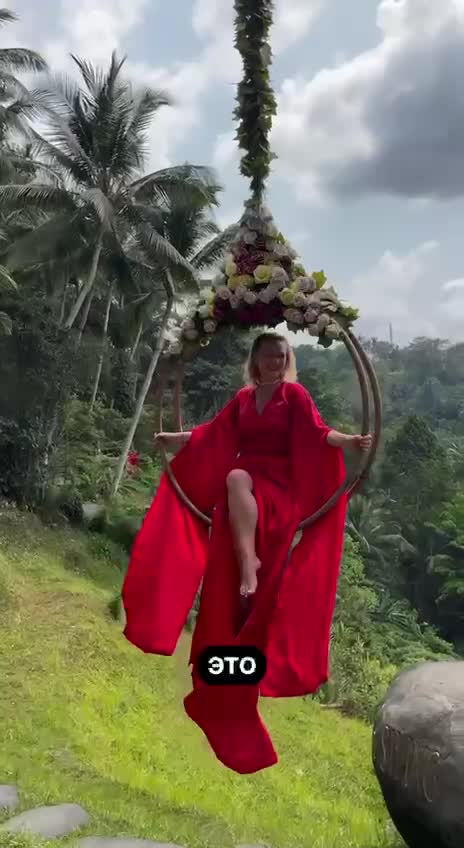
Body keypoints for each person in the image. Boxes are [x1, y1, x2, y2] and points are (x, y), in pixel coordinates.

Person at [122, 332, 372, 774]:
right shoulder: (243, 399)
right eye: (268, 355)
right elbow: (214, 433)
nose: (275, 361)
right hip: (242, 497)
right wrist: (176, 438)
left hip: (277, 494)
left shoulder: (294, 396)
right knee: (235, 481)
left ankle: (250, 567)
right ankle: (244, 574)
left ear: (286, 360)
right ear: (255, 360)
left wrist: (349, 441)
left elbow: (318, 433)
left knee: (236, 479)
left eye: (281, 355)